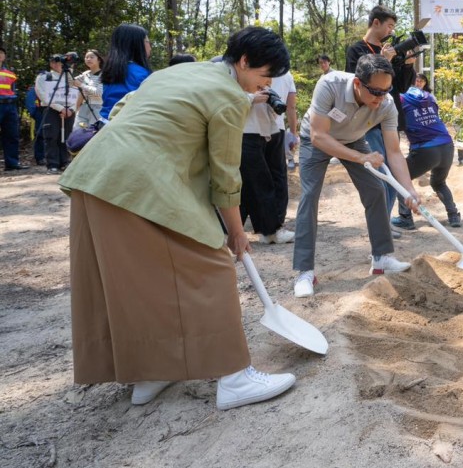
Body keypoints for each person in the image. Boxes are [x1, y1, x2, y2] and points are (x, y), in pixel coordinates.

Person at [59, 26, 297, 410]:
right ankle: (235, 377)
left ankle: (153, 370)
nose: (264, 85)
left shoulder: (178, 72)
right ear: (244, 61)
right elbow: (225, 174)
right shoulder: (229, 96)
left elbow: (120, 110)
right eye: (264, 75)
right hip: (136, 183)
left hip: (94, 177)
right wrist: (236, 234)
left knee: (138, 279)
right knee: (213, 265)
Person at [291, 53, 421, 297]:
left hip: (353, 139)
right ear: (358, 84)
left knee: (375, 190)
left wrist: (409, 190)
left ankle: (381, 257)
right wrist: (362, 158)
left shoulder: (387, 103)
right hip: (316, 140)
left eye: (387, 91)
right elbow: (319, 136)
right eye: (375, 92)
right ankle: (304, 271)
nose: (381, 98)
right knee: (309, 197)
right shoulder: (330, 84)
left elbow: (393, 152)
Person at [345, 6, 415, 233]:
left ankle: (383, 223)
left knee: (393, 174)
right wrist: (380, 59)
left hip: (390, 118)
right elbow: (354, 81)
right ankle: (380, 227)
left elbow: (402, 87)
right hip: (369, 120)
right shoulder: (356, 50)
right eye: (389, 26)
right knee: (382, 173)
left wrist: (407, 67)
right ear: (376, 23)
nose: (391, 31)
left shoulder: (391, 51)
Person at [391, 77, 462, 230]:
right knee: (438, 182)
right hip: (447, 145)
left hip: (426, 149)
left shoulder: (401, 99)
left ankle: (405, 218)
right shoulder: (429, 97)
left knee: (400, 178)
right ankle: (454, 216)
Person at [239, 68, 298, 244]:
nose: (270, 82)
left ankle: (269, 229)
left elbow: (284, 108)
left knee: (264, 182)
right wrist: (250, 98)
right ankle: (270, 230)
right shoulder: (232, 73)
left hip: (266, 132)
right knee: (258, 183)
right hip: (243, 133)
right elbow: (222, 101)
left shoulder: (278, 76)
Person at [36, 54, 80, 173]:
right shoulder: (44, 76)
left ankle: (65, 162)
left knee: (67, 136)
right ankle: (53, 164)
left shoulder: (69, 76)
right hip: (51, 110)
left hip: (69, 111)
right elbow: (43, 95)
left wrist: (71, 109)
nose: (56, 64)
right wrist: (60, 108)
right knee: (51, 136)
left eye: (58, 61)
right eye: (53, 62)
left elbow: (76, 94)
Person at [100, 24, 152, 120]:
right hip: (129, 125)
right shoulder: (141, 73)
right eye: (147, 42)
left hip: (104, 122)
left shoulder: (110, 70)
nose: (150, 47)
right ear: (136, 45)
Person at [0, 45, 30, 171]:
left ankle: (12, 163)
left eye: (1, 53)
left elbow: (13, 90)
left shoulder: (10, 74)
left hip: (10, 106)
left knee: (12, 134)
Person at [73, 49, 104, 129]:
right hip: (84, 107)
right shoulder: (85, 74)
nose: (88, 59)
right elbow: (71, 82)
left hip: (98, 108)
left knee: (93, 133)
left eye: (91, 57)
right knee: (78, 132)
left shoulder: (104, 74)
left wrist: (81, 85)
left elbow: (99, 92)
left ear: (99, 60)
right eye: (86, 57)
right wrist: (69, 67)